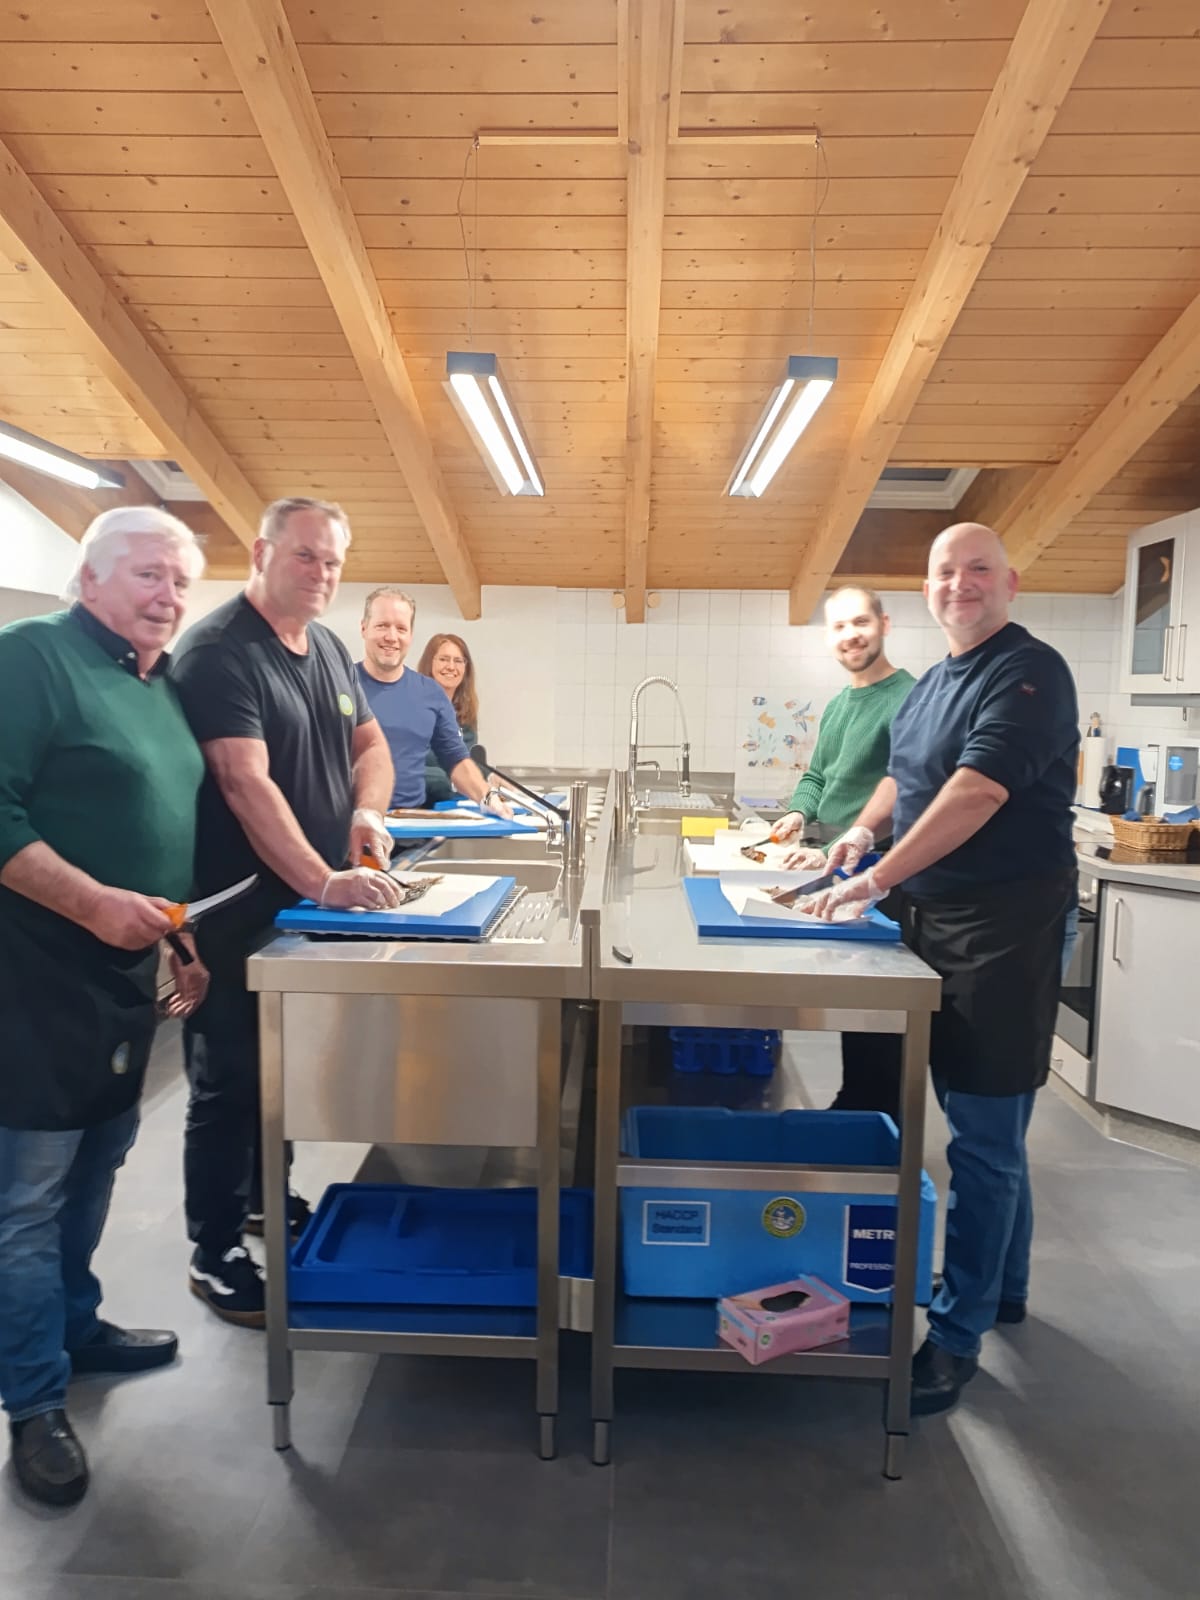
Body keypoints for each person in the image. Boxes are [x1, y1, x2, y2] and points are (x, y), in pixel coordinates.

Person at [804, 523, 1078, 1416]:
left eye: (978, 570)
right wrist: (860, 832)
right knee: (985, 1127)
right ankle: (1004, 1288)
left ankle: (956, 1337)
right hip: (932, 918)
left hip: (1004, 928)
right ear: (926, 591)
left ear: (1011, 582)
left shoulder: (1029, 672)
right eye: (945, 573)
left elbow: (976, 790)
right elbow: (906, 777)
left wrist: (879, 876)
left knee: (984, 1134)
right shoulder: (935, 682)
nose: (960, 584)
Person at [0, 507, 209, 1507]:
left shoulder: (157, 684)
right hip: (32, 975)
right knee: (29, 1197)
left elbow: (157, 828)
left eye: (180, 581)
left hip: (124, 976)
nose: (167, 596)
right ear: (89, 577)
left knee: (96, 1165)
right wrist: (90, 903)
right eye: (146, 574)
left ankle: (75, 1327)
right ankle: (33, 1401)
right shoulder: (32, 657)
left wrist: (180, 938)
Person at [171, 497, 405, 1328]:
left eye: (333, 561)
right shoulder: (220, 652)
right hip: (236, 908)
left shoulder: (329, 647)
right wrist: (325, 881)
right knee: (228, 1077)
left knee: (281, 1068)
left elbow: (369, 745)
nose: (322, 573)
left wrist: (366, 813)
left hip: (302, 905)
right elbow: (244, 783)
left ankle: (266, 1197)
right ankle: (214, 1252)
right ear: (262, 552)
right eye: (306, 555)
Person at [770, 586, 915, 1119]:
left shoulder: (909, 699)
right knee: (854, 999)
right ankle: (855, 1105)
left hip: (880, 868)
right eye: (839, 627)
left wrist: (834, 848)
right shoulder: (838, 704)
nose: (851, 636)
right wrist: (798, 814)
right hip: (838, 863)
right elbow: (817, 776)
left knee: (878, 1011)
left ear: (884, 624)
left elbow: (904, 792)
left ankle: (879, 1121)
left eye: (861, 622)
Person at [356, 588, 510, 817]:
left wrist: (487, 796)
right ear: (364, 628)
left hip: (411, 825)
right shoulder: (337, 685)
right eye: (382, 626)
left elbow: (456, 759)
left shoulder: (430, 694)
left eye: (401, 628)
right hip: (349, 826)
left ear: (410, 635)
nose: (391, 637)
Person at [416, 631, 482, 805]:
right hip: (418, 808)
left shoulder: (466, 713)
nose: (451, 667)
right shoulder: (411, 707)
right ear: (429, 663)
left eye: (458, 661)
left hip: (456, 806)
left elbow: (469, 763)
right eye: (444, 659)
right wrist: (453, 780)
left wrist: (493, 779)